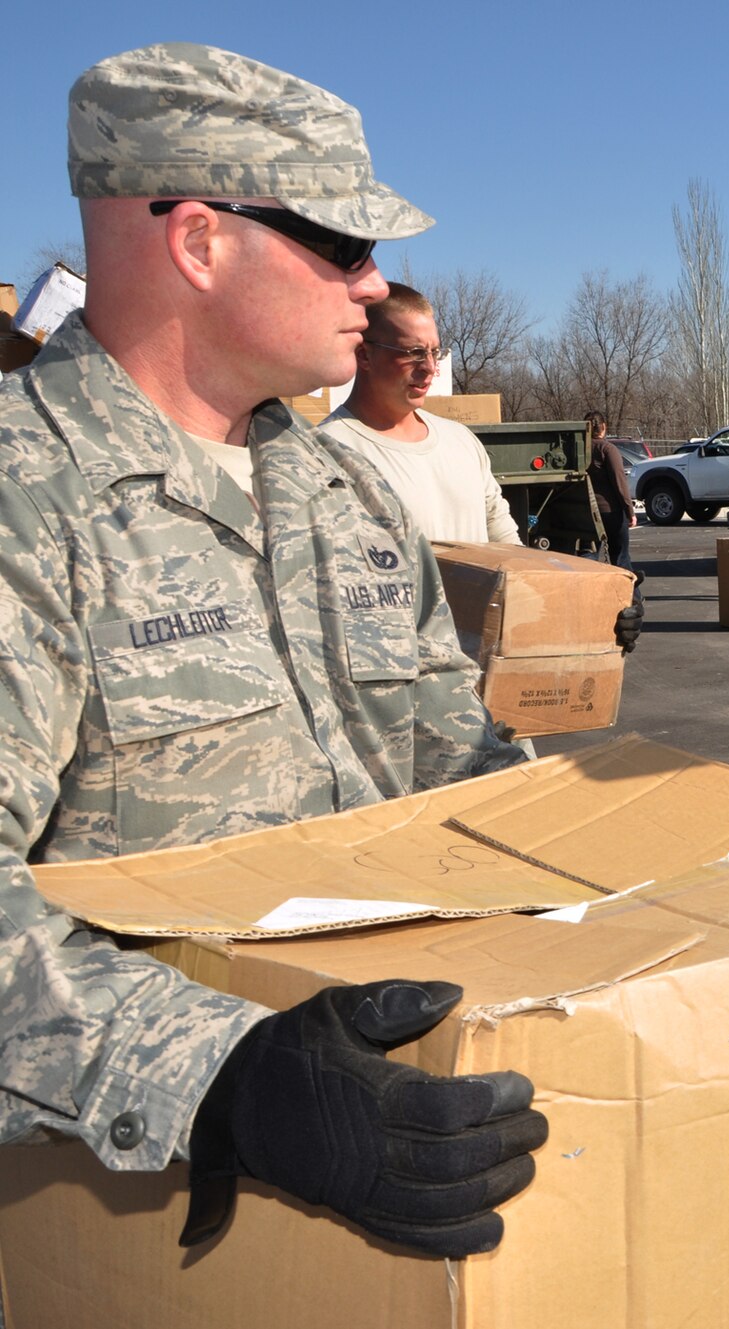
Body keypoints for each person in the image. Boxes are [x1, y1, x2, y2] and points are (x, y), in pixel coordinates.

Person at [0, 44, 546, 1259]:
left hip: (409, 1123)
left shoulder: (346, 494)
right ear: (199, 241)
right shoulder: (24, 503)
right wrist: (224, 1076)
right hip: (123, 1196)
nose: (374, 286)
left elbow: (453, 754)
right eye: (344, 245)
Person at [319, 282, 520, 544]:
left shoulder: (461, 440)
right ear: (364, 355)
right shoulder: (328, 452)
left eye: (433, 351)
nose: (429, 366)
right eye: (413, 353)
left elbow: (505, 540)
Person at [582, 408, 638, 570]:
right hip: (610, 511)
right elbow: (619, 482)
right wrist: (630, 512)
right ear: (604, 427)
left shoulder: (578, 451)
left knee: (588, 554)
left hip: (585, 511)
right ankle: (631, 593)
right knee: (621, 557)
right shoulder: (607, 449)